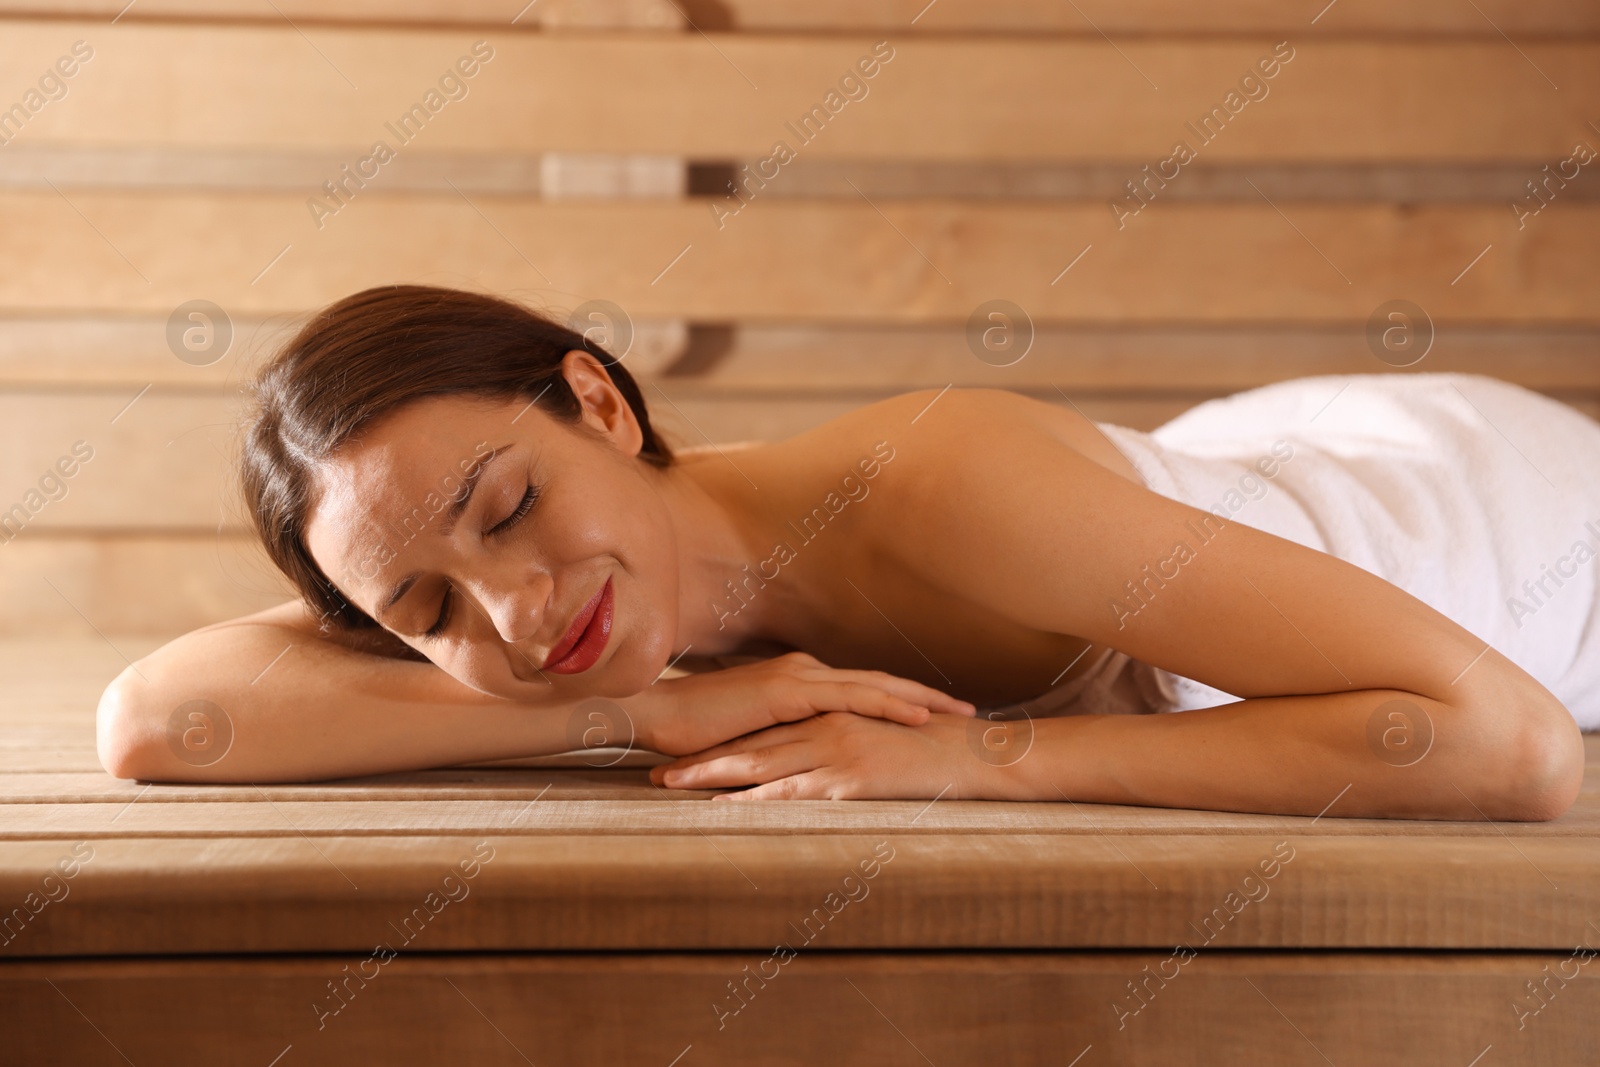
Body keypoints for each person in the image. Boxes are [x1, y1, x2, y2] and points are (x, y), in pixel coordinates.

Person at [96, 285, 1589, 820]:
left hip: (1500, 522)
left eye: (509, 509)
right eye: (423, 609)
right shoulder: (587, 614)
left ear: (601, 403)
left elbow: (1506, 746)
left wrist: (986, 764)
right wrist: (637, 709)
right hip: (1217, 464)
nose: (517, 609)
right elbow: (157, 719)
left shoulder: (945, 490)